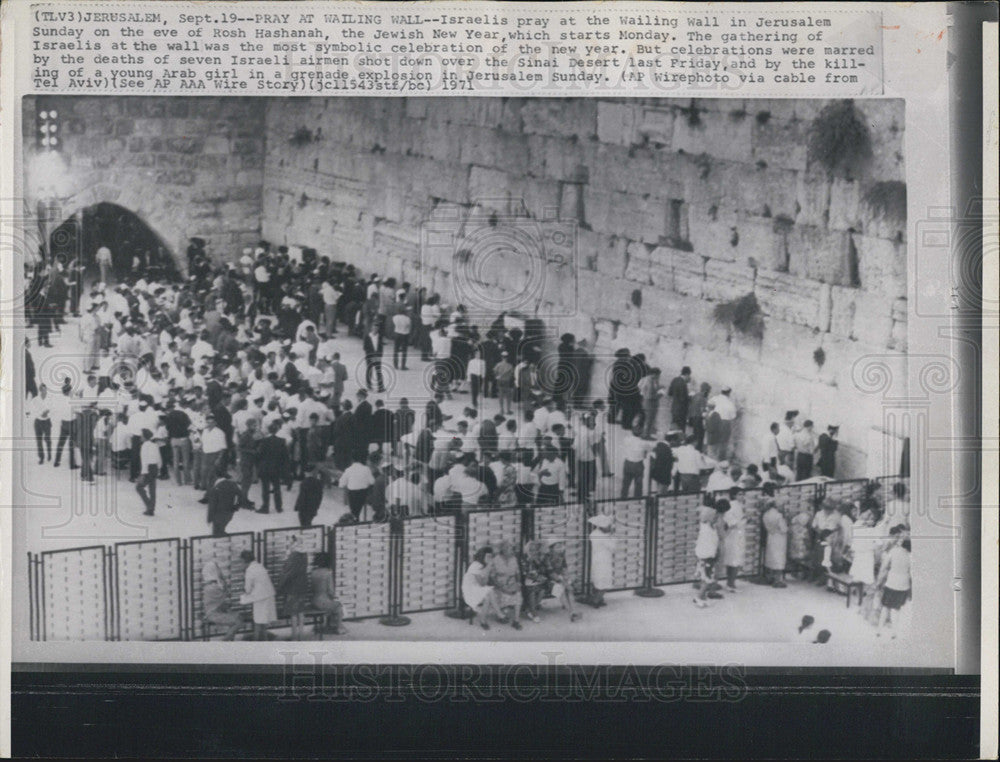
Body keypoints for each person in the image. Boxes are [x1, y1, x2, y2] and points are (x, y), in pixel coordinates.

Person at [876, 536, 911, 638]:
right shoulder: (911, 556)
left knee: (885, 607)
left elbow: (884, 566)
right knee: (897, 609)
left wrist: (879, 580)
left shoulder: (893, 551)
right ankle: (894, 632)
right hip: (903, 585)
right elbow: (912, 573)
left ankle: (879, 630)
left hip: (891, 582)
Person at [276, 537, 310, 641]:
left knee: (293, 612)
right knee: (301, 610)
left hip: (293, 587)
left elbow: (287, 573)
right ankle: (301, 635)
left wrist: (279, 587)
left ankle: (294, 636)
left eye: (291, 542)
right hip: (303, 585)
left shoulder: (293, 556)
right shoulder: (304, 555)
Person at [239, 550, 277, 641]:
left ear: (245, 561)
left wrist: (243, 593)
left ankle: (256, 643)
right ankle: (265, 640)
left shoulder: (249, 570)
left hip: (260, 598)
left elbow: (247, 589)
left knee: (258, 622)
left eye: (241, 562)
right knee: (263, 622)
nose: (241, 564)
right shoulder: (260, 566)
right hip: (269, 596)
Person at [462, 546, 502, 630]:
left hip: (477, 589)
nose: (489, 558)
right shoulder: (475, 565)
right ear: (482, 556)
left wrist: (489, 568)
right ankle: (499, 614)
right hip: (470, 591)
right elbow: (482, 584)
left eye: (491, 556)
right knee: (489, 591)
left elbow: (485, 582)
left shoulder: (484, 566)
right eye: (487, 556)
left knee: (487, 597)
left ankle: (483, 621)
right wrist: (488, 567)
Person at [201, 560, 243, 641]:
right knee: (238, 622)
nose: (219, 570)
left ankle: (228, 641)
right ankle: (224, 642)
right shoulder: (214, 587)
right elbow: (226, 592)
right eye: (217, 569)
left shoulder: (208, 585)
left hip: (215, 613)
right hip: (214, 615)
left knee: (238, 618)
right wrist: (222, 578)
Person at [256, 419, 290, 514]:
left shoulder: (264, 441)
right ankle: (279, 507)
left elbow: (259, 454)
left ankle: (265, 507)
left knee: (265, 489)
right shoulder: (282, 441)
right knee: (277, 488)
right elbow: (285, 457)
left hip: (265, 467)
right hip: (276, 468)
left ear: (269, 430)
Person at [543, 539, 581, 622]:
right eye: (557, 546)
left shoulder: (561, 555)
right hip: (549, 579)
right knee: (560, 589)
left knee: (569, 589)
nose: (560, 548)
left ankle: (574, 610)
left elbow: (564, 568)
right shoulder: (547, 557)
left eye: (560, 545)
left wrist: (566, 578)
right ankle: (570, 612)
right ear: (551, 548)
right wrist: (563, 582)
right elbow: (550, 573)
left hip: (560, 577)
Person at [489, 540, 524, 629]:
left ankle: (516, 620)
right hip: (499, 584)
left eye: (511, 548)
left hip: (512, 583)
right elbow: (492, 577)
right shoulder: (495, 559)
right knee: (504, 594)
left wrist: (519, 583)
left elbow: (517, 573)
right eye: (508, 548)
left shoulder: (514, 559)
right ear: (502, 549)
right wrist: (501, 587)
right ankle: (501, 614)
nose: (511, 550)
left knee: (518, 593)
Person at [693, 503, 722, 608]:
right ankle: (699, 597)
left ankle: (703, 596)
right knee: (707, 578)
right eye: (714, 517)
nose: (716, 518)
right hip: (707, 556)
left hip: (708, 555)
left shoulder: (708, 527)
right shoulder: (707, 529)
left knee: (705, 577)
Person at [310, 553, 346, 635]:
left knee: (332, 605)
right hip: (323, 602)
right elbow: (330, 591)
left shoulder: (313, 573)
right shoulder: (328, 573)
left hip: (314, 601)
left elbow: (312, 588)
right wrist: (333, 596)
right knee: (338, 605)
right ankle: (339, 627)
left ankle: (328, 625)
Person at [718, 487, 746, 594]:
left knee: (734, 559)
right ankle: (731, 584)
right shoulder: (732, 506)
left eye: (743, 494)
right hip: (733, 536)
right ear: (734, 495)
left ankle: (731, 582)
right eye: (740, 494)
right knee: (734, 559)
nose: (742, 496)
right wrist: (745, 520)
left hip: (738, 535)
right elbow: (732, 523)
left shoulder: (739, 506)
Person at [587, 513, 618, 608]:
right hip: (604, 561)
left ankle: (598, 598)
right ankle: (596, 600)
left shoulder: (594, 534)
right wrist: (613, 535)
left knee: (598, 580)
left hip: (596, 559)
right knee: (604, 581)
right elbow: (613, 547)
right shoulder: (603, 537)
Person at [761, 484, 788, 587]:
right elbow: (784, 529)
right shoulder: (778, 516)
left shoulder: (765, 515)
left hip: (770, 536)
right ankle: (778, 579)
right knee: (779, 557)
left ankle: (770, 576)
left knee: (771, 556)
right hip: (779, 538)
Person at [206, 469, 243, 536]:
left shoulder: (217, 487)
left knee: (218, 530)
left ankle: (219, 535)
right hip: (228, 511)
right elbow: (241, 497)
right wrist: (236, 506)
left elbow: (212, 504)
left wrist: (209, 518)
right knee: (221, 528)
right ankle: (221, 534)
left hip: (218, 513)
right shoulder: (233, 485)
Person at [620, 425, 651, 499]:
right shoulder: (644, 443)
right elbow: (646, 452)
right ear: (641, 432)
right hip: (638, 465)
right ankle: (637, 501)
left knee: (626, 484)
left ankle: (623, 498)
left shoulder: (626, 439)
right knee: (638, 485)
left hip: (628, 463)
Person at [340, 454, 375, 520]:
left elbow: (341, 484)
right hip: (363, 493)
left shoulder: (348, 470)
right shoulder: (366, 469)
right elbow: (372, 482)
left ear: (352, 460)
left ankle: (354, 518)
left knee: (354, 510)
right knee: (357, 510)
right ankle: (355, 517)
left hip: (352, 493)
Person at [135, 428, 161, 516]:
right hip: (155, 468)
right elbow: (159, 458)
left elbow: (144, 460)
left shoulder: (144, 446)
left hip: (148, 468)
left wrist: (143, 473)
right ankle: (151, 508)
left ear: (145, 437)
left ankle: (149, 506)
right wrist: (159, 468)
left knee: (139, 487)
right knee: (152, 489)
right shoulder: (154, 445)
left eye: (141, 435)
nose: (140, 437)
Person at [520, 540, 547, 623]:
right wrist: (536, 578)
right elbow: (525, 573)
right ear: (527, 550)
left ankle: (529, 609)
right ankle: (534, 613)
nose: (533, 552)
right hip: (527, 581)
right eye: (531, 550)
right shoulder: (524, 558)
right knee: (532, 592)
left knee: (542, 591)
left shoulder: (537, 558)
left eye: (535, 550)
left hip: (537, 580)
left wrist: (537, 562)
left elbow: (543, 570)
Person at [27, 383, 53, 465]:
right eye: (43, 390)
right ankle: (41, 457)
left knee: (48, 439)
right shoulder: (35, 400)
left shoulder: (50, 399)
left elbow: (53, 409)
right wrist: (41, 413)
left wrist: (47, 413)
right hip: (38, 422)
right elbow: (31, 410)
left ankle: (49, 454)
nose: (45, 391)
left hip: (47, 422)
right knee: (39, 441)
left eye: (46, 390)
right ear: (40, 390)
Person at [638, 367, 664, 439]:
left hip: (644, 401)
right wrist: (660, 395)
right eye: (658, 375)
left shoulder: (645, 379)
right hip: (650, 403)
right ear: (654, 374)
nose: (659, 377)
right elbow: (650, 395)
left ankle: (643, 433)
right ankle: (646, 435)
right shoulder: (650, 381)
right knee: (649, 420)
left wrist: (659, 387)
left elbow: (640, 388)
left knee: (645, 419)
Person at [295, 463, 324, 527]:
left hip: (304, 508)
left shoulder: (304, 483)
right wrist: (317, 507)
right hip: (313, 507)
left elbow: (302, 496)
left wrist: (297, 506)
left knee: (303, 523)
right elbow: (320, 496)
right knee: (308, 522)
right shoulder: (319, 483)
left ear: (307, 473)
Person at [667, 367, 692, 433]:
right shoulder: (683, 383)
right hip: (681, 410)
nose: (689, 377)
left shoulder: (674, 380)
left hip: (674, 408)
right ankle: (679, 441)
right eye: (689, 375)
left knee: (673, 426)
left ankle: (671, 439)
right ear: (686, 374)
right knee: (680, 428)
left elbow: (670, 393)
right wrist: (690, 397)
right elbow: (683, 398)